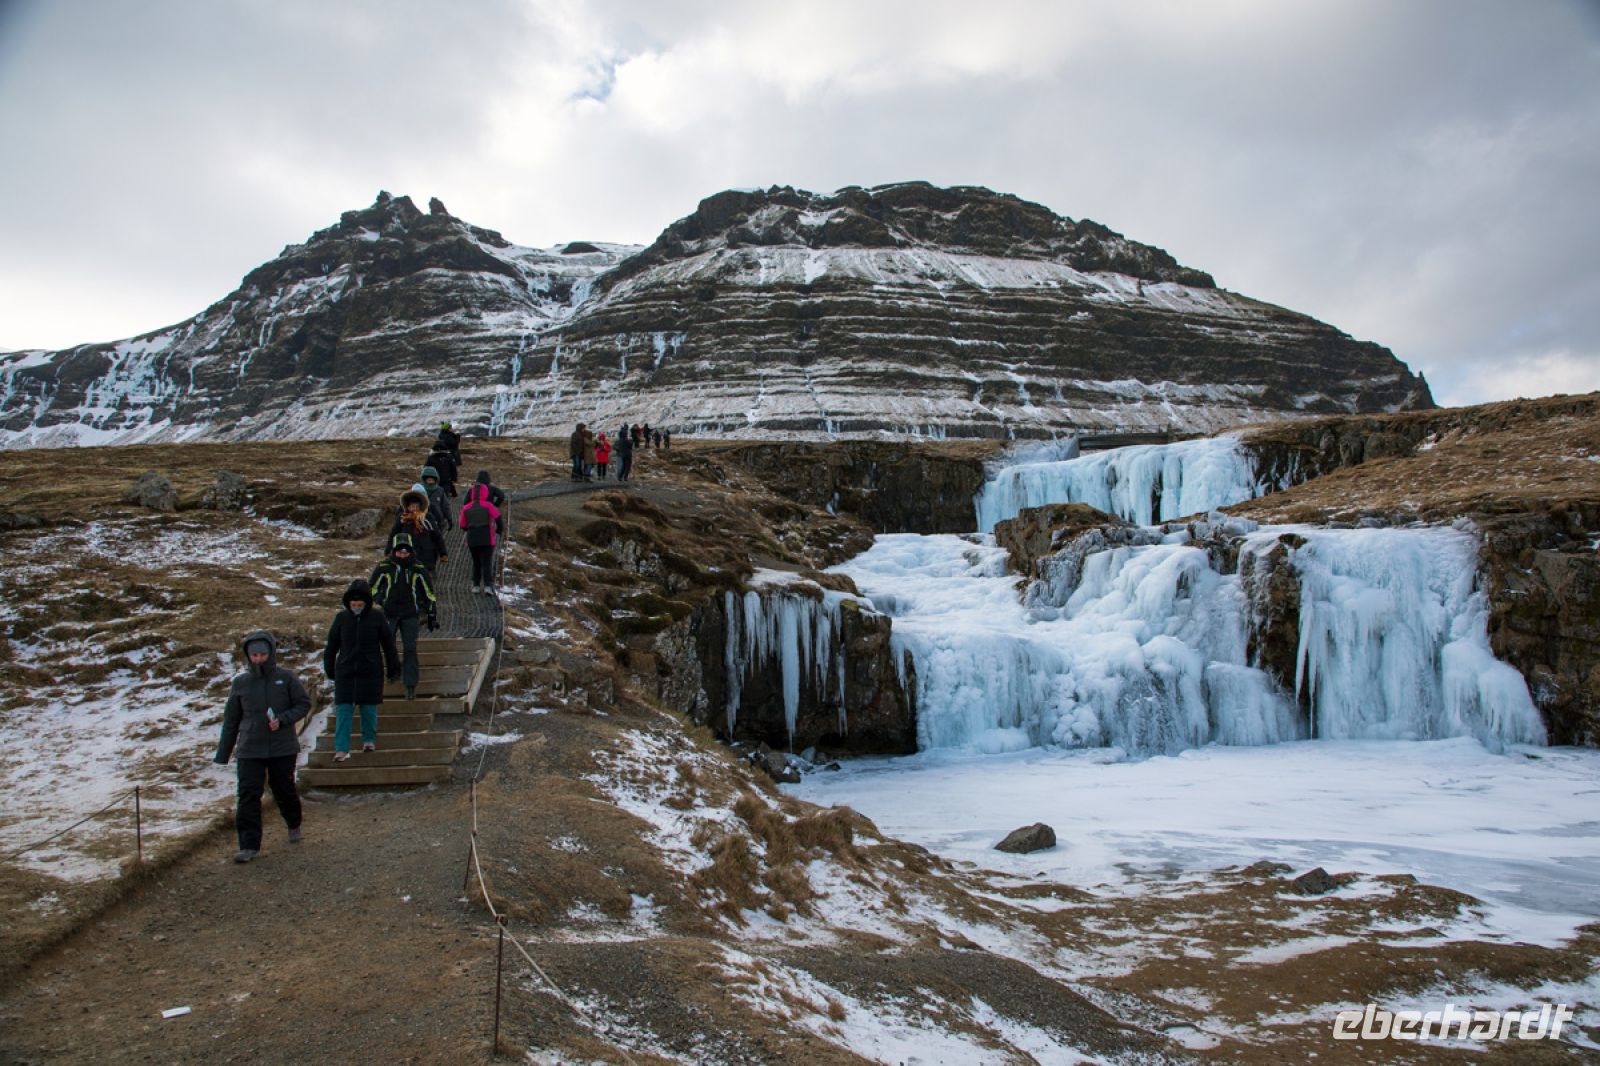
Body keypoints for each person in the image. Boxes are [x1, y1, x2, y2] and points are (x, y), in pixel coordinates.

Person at [214, 630, 310, 863]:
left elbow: (303, 704)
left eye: (262, 654)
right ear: (248, 656)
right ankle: (248, 845)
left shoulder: (286, 678)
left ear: (271, 654)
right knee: (248, 794)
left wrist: (284, 719)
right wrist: (223, 754)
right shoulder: (241, 683)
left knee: (283, 788)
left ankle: (294, 822)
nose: (258, 659)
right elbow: (232, 720)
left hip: (282, 747)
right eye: (254, 655)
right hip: (250, 748)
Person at [322, 580, 401, 762]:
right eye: (353, 605)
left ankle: (369, 740)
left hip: (370, 669)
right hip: (346, 670)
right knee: (343, 710)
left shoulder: (377, 617)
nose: (356, 607)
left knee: (368, 708)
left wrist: (393, 667)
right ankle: (341, 749)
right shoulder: (341, 618)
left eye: (360, 605)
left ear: (366, 603)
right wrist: (329, 667)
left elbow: (388, 644)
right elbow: (332, 645)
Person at [369, 534, 438, 699]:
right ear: (394, 551)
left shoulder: (418, 568)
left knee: (410, 647)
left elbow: (429, 592)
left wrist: (431, 613)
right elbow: (371, 587)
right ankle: (393, 673)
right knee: (388, 645)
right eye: (399, 551)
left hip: (410, 613)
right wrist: (380, 600)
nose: (402, 554)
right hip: (389, 612)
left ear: (411, 551)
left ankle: (410, 684)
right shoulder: (384, 566)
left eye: (406, 551)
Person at [459, 473, 505, 595]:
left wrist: (470, 529)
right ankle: (488, 586)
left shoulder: (466, 508)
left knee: (476, 561)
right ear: (486, 493)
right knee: (487, 562)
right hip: (487, 537)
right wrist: (499, 530)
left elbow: (462, 525)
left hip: (472, 538)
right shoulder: (489, 506)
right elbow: (498, 518)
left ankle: (475, 585)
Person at [390, 488, 447, 572]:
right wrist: (389, 550)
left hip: (427, 555)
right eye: (412, 506)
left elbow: (437, 535)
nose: (415, 509)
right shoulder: (402, 519)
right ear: (407, 507)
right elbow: (394, 534)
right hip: (406, 555)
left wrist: (443, 553)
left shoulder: (427, 518)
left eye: (417, 506)